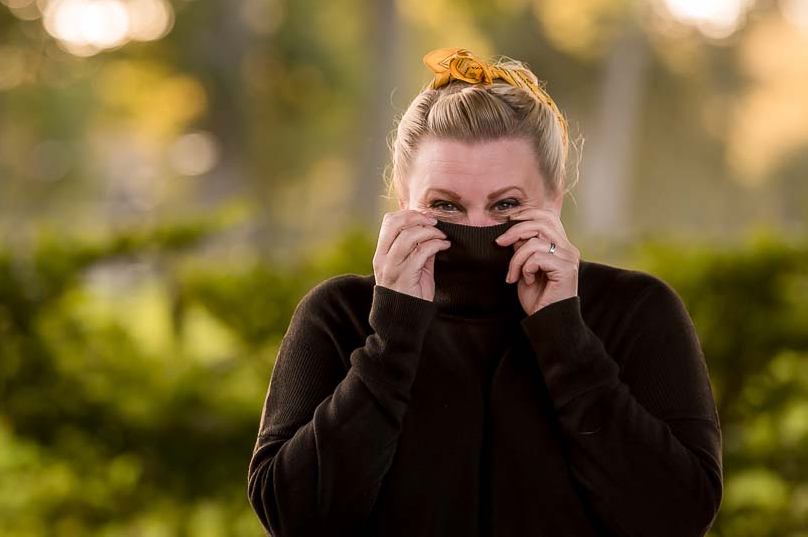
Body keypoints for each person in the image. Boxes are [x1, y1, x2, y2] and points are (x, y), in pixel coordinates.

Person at [247, 47, 723, 536]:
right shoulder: (340, 315)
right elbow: (293, 518)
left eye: (508, 204)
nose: (477, 229)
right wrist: (392, 339)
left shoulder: (635, 311)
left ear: (555, 199)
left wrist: (565, 337)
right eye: (446, 207)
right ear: (404, 201)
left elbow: (678, 517)